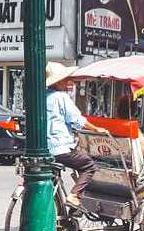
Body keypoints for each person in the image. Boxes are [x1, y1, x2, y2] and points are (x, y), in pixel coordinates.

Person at [46, 62, 110, 207]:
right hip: (59, 149)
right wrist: (96, 129)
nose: (68, 82)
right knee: (88, 165)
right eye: (65, 79)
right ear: (59, 81)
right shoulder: (61, 97)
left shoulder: (42, 97)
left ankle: (66, 210)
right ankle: (74, 195)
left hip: (45, 149)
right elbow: (77, 120)